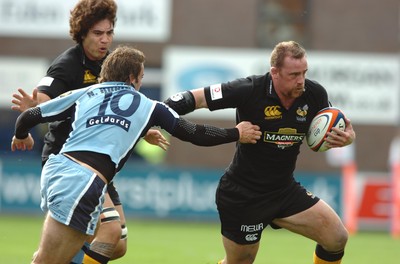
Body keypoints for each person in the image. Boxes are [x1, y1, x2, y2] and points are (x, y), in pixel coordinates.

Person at [10, 45, 262, 264]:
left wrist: (21, 136)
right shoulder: (149, 105)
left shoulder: (86, 93)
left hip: (58, 169)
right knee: (51, 260)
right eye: (141, 76)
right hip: (83, 182)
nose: (141, 82)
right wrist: (235, 133)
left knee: (102, 241)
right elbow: (194, 133)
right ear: (132, 78)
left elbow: (29, 116)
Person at [164, 40, 356, 264]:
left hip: (283, 191)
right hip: (244, 195)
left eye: (304, 73)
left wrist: (347, 138)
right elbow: (194, 99)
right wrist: (155, 113)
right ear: (274, 72)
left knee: (337, 238)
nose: (301, 81)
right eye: (294, 74)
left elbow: (330, 126)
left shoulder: (314, 94)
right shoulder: (249, 89)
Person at [10, 0, 167, 263]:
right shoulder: (66, 64)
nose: (105, 40)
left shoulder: (112, 64)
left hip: (98, 165)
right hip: (68, 161)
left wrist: (143, 131)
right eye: (97, 33)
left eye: (109, 33)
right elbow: (45, 100)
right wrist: (36, 108)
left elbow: (118, 110)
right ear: (82, 33)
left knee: (117, 245)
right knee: (109, 230)